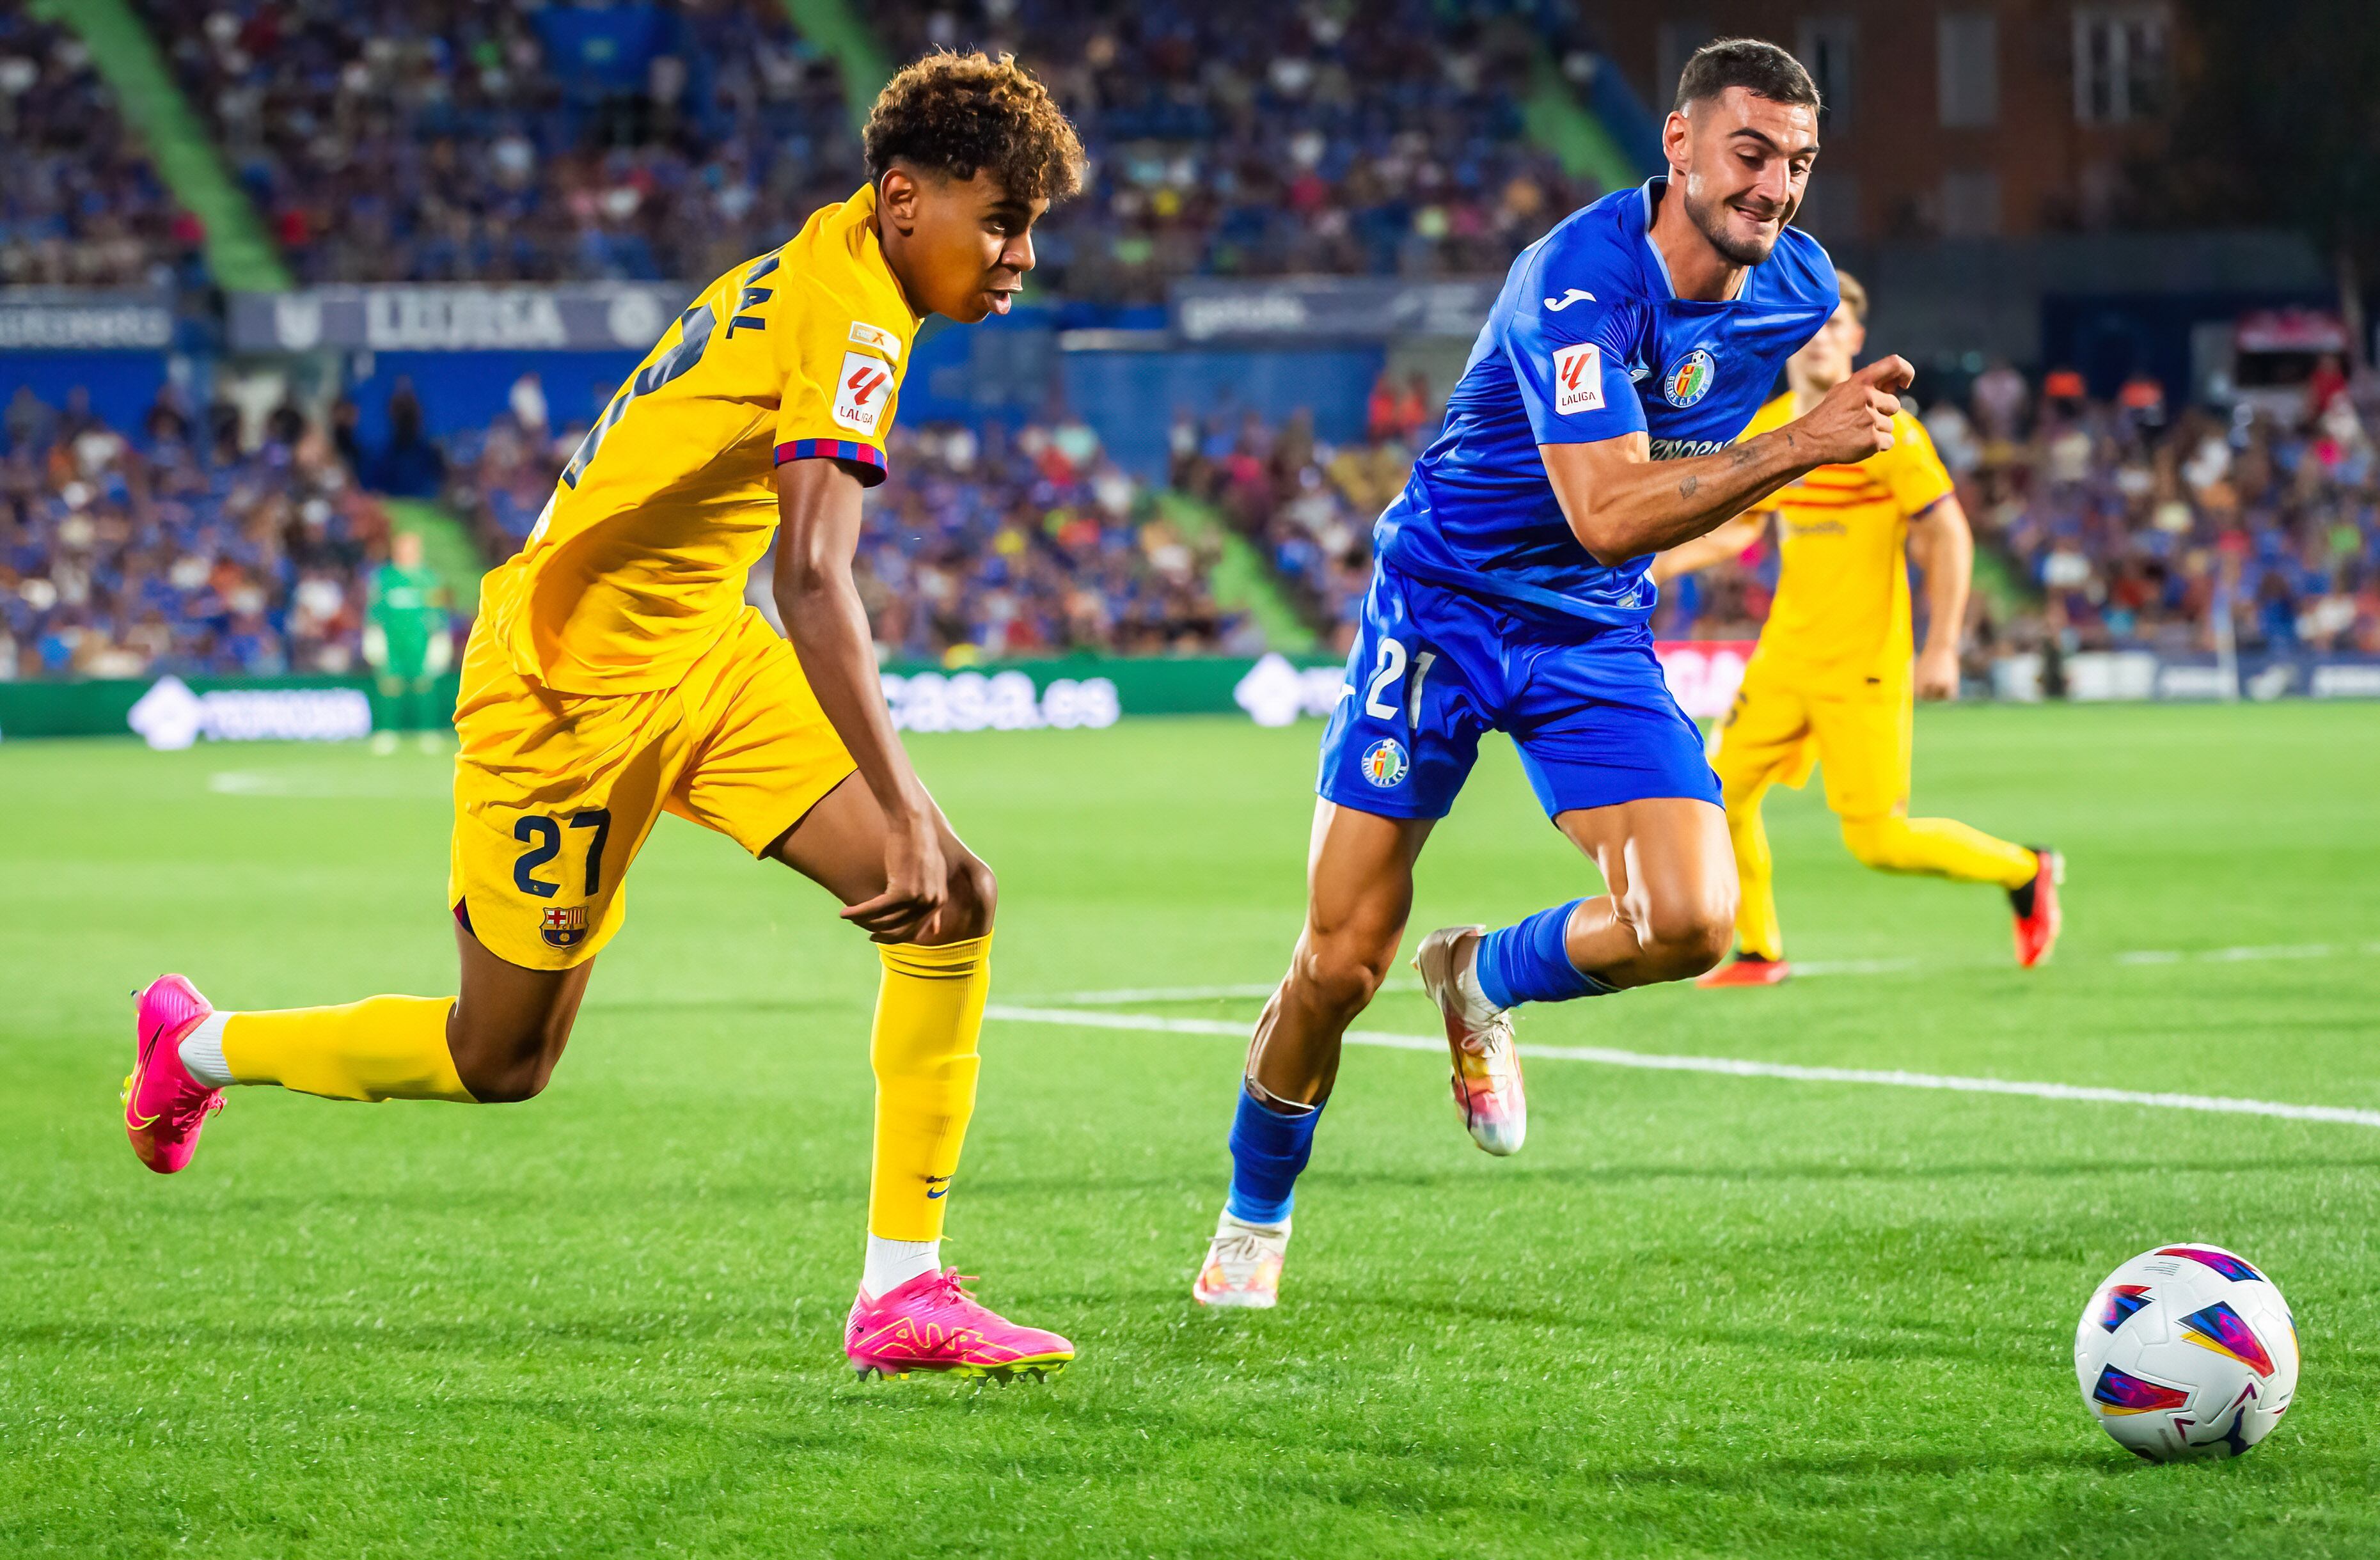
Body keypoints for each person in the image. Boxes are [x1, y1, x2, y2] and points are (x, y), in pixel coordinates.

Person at [121, 53, 1089, 1383]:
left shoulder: (844, 257)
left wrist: (921, 833)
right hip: (563, 692)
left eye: (1033, 228)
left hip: (699, 655)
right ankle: (196, 1044)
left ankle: (903, 1290)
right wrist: (909, 805)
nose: (1022, 255)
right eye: (1002, 221)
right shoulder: (853, 312)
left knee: (949, 900)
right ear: (907, 198)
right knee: (500, 1057)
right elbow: (814, 574)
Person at [1194, 39, 1912, 1308]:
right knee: (1340, 957)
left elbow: (1701, 447)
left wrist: (1827, 425)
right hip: (1443, 609)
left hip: (1587, 631)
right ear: (1677, 144)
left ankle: (1479, 973)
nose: (1774, 188)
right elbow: (1604, 509)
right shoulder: (1573, 282)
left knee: (1694, 918)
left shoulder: (1794, 287)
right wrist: (1803, 442)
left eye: (1798, 163)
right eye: (1749, 154)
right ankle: (1255, 1215)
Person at [1648, 271, 2062, 988]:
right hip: (1784, 659)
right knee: (1718, 792)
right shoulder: (1771, 425)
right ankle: (1757, 947)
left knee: (1877, 840)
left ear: (1856, 340)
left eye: (1836, 326)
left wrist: (1940, 647)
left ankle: (2026, 870)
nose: (1820, 339)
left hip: (1863, 666)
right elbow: (1738, 530)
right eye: (1808, 325)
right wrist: (1651, 565)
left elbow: (1950, 534)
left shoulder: (1885, 430)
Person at [364, 530, 453, 753]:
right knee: (389, 685)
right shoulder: (385, 578)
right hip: (392, 642)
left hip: (420, 642)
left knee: (425, 684)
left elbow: (438, 611)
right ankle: (387, 731)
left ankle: (428, 731)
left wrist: (440, 638)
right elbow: (375, 609)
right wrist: (373, 634)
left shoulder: (430, 579)